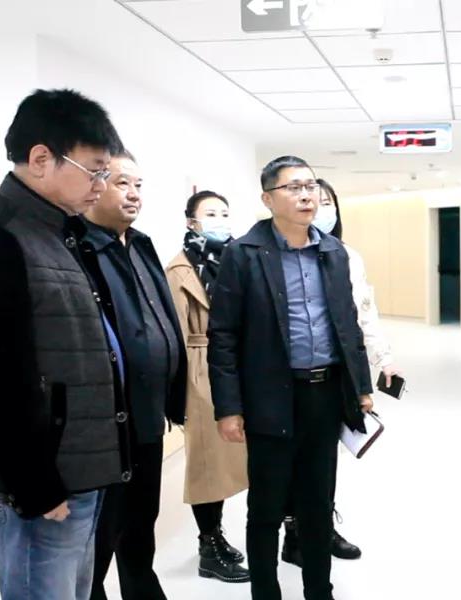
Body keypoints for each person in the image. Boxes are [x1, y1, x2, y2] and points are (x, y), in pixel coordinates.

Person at [0, 88, 130, 599]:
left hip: (78, 473)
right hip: (39, 489)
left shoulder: (61, 232)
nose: (101, 186)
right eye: (94, 171)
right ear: (42, 158)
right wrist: (35, 486)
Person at [208, 156, 374, 600]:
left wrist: (361, 387)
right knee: (266, 507)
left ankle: (319, 590)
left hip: (325, 394)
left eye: (311, 186)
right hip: (270, 397)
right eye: (294, 187)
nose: (306, 196)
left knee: (317, 504)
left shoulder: (333, 252)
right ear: (268, 198)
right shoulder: (243, 254)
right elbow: (223, 335)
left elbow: (347, 324)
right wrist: (229, 407)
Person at [81, 151, 188, 599]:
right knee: (102, 532)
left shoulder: (141, 244)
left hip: (147, 415)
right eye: (122, 183)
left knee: (142, 521)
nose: (133, 194)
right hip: (107, 424)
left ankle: (142, 588)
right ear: (95, 184)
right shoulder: (80, 248)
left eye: (139, 186)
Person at [280, 178, 399, 566]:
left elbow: (364, 312)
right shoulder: (274, 254)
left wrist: (384, 359)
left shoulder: (347, 256)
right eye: (312, 197)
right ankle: (293, 533)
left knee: (325, 455)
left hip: (336, 371)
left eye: (327, 201)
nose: (318, 206)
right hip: (290, 374)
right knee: (290, 457)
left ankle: (320, 527)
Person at [165, 190, 250, 583]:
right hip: (201, 370)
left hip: (242, 366)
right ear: (191, 222)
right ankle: (209, 544)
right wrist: (178, 393)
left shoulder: (238, 260)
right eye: (210, 213)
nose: (220, 220)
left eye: (224, 213)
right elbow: (175, 336)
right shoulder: (180, 271)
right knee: (207, 463)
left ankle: (221, 539)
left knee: (245, 459)